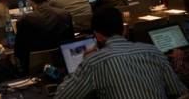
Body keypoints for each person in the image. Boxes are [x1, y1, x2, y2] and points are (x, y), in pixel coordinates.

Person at [55, 7, 188, 99]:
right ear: (124, 30)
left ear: (98, 36)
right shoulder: (153, 51)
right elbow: (180, 92)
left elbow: (62, 96)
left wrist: (84, 62)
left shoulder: (93, 62)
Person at [14, 0, 74, 74]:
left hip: (35, 68)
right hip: (63, 63)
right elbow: (71, 41)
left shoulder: (25, 20)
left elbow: (19, 51)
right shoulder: (64, 15)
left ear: (30, 0)